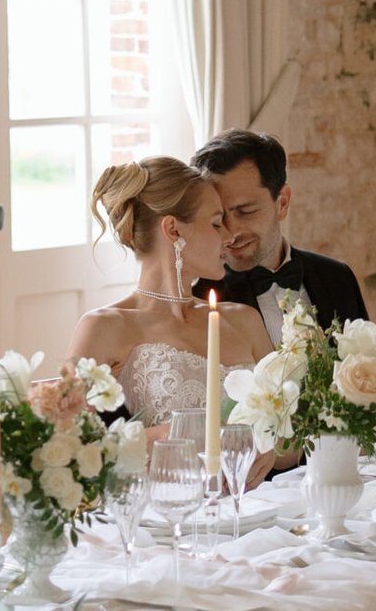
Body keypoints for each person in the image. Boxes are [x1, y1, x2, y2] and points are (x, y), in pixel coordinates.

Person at [69, 158, 270, 431]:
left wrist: (268, 447)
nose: (228, 236)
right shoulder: (104, 327)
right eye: (215, 223)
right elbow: (77, 450)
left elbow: (291, 448)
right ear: (174, 230)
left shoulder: (244, 320)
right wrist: (187, 433)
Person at [191, 128, 368, 343]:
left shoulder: (338, 277)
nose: (231, 232)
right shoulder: (198, 299)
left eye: (245, 211)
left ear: (282, 202)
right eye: (217, 219)